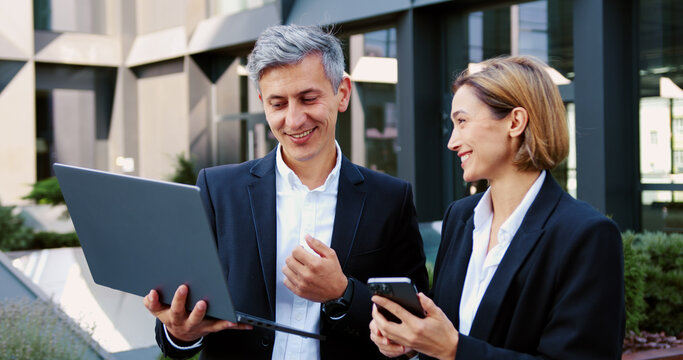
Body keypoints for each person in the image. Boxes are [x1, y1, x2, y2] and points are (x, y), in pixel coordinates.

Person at [143, 24, 428, 360]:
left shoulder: (390, 199)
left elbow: (414, 328)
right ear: (263, 102)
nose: (293, 120)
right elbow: (178, 324)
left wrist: (342, 293)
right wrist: (179, 332)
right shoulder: (218, 189)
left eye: (308, 98)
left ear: (343, 93)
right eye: (278, 104)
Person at [369, 55, 625, 359]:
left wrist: (454, 350)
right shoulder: (460, 217)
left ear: (515, 122)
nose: (452, 142)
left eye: (462, 121)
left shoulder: (587, 236)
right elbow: (449, 332)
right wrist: (414, 344)